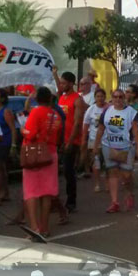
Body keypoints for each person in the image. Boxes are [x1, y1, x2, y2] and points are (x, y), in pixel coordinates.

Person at [21, 87, 64, 238]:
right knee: (47, 193)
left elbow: (30, 134)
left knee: (31, 191)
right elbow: (58, 135)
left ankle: (35, 228)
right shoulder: (55, 115)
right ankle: (45, 227)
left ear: (37, 98)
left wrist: (22, 130)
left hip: (34, 154)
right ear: (50, 99)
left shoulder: (36, 112)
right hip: (50, 153)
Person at [94, 89, 138, 213]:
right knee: (112, 172)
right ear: (112, 98)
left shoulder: (131, 112)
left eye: (120, 97)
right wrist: (96, 145)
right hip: (109, 146)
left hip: (127, 147)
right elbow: (101, 129)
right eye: (115, 97)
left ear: (124, 98)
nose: (118, 99)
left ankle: (129, 193)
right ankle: (114, 202)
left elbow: (135, 130)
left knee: (126, 175)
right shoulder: (106, 111)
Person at [53, 68, 86, 214]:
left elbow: (78, 123)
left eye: (64, 83)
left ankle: (71, 202)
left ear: (71, 84)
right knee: (55, 172)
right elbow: (58, 87)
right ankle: (55, 202)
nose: (61, 85)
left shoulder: (77, 100)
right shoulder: (62, 97)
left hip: (71, 141)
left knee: (68, 172)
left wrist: (70, 142)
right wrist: (55, 74)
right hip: (59, 140)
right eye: (60, 83)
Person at [82, 87, 108, 192]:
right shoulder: (91, 109)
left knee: (107, 163)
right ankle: (97, 183)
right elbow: (86, 124)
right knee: (96, 162)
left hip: (107, 140)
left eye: (102, 96)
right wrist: (84, 139)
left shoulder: (109, 108)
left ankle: (107, 184)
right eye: (98, 96)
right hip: (93, 139)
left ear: (105, 97)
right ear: (95, 98)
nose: (100, 98)